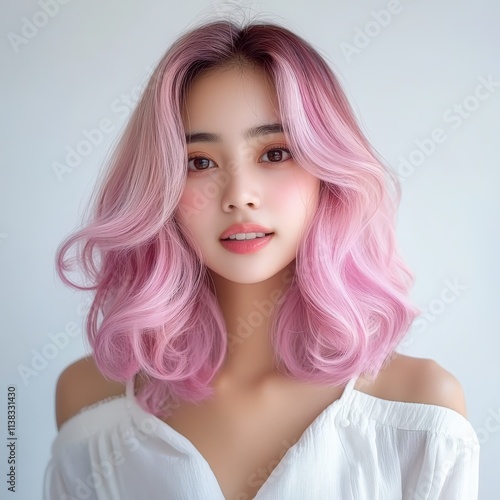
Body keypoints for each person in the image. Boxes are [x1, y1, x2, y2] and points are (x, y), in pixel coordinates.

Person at [43, 14, 480, 500]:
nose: (240, 195)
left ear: (328, 174)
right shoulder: (88, 403)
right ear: (160, 188)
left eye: (274, 153)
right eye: (199, 163)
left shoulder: (418, 411)